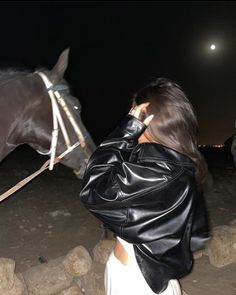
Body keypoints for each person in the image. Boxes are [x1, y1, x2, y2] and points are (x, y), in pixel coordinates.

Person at [80, 77, 210, 295]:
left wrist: (126, 130)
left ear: (150, 121)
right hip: (155, 277)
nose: (132, 117)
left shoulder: (157, 171)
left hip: (136, 281)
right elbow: (197, 235)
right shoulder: (184, 165)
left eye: (136, 113)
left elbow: (92, 189)